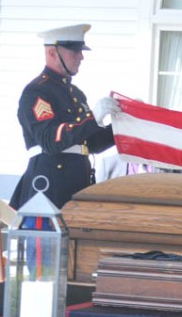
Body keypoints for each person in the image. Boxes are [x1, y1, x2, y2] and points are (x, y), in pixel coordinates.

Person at [10, 24, 119, 209]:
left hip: (78, 184)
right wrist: (92, 118)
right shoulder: (37, 92)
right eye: (75, 50)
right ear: (52, 53)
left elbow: (92, 143)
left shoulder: (76, 94)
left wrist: (121, 125)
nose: (81, 56)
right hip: (50, 187)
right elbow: (50, 140)